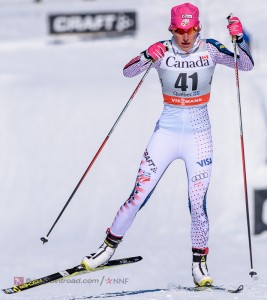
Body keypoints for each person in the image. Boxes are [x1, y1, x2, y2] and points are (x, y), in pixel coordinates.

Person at [81, 3, 254, 287]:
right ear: (171, 29)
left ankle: (199, 264)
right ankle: (107, 248)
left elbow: (245, 65)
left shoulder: (210, 49)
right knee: (138, 194)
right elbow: (127, 73)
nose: (185, 37)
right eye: (179, 31)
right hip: (167, 133)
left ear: (199, 28)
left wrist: (240, 39)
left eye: (191, 30)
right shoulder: (162, 50)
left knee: (198, 204)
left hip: (199, 136)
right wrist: (145, 55)